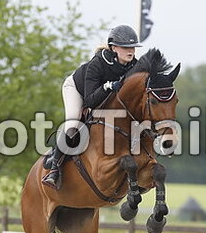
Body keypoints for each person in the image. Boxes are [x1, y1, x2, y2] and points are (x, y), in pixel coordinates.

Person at [42, 24, 141, 190]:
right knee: (74, 124)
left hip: (104, 98)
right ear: (114, 47)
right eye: (125, 47)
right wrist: (107, 87)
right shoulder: (98, 64)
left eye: (132, 47)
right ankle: (54, 169)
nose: (130, 50)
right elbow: (89, 101)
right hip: (77, 90)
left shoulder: (134, 66)